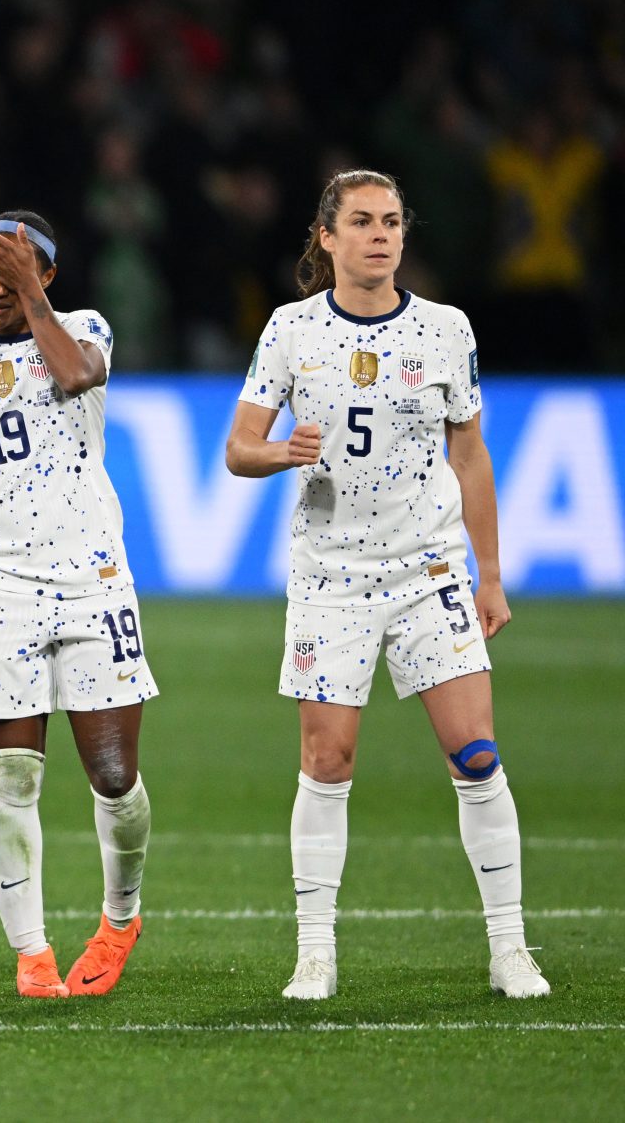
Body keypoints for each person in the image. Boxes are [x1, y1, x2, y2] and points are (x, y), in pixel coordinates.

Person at [225, 169, 548, 1001]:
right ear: (326, 237)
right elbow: (239, 447)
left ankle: (510, 948)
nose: (381, 234)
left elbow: (470, 452)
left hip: (429, 566)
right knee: (327, 758)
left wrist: (493, 574)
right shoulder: (291, 330)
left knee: (476, 751)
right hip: (331, 573)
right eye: (362, 221)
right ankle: (315, 951)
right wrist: (280, 453)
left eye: (394, 221)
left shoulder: (445, 329)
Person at [0, 212, 155, 998]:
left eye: (12, 270)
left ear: (45, 276)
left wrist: (28, 287)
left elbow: (74, 375)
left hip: (93, 579)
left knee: (114, 775)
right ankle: (32, 953)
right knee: (12, 776)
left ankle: (120, 918)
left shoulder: (83, 327)